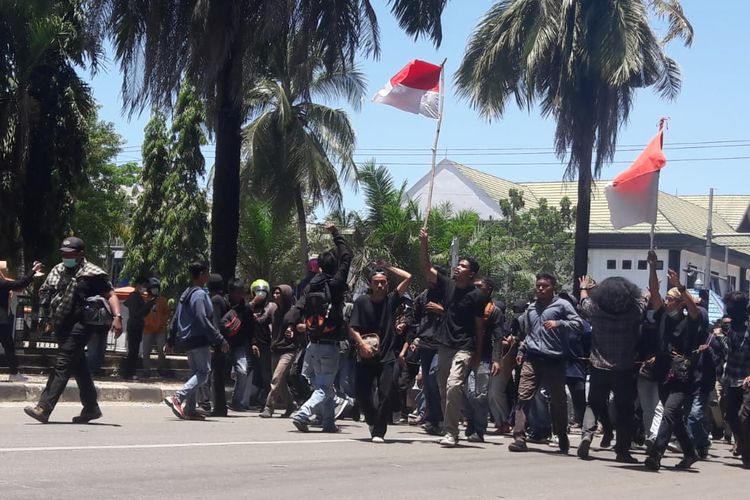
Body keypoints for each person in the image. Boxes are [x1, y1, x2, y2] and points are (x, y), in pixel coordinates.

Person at [24, 237, 122, 423]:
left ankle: (44, 407)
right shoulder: (58, 270)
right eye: (63, 253)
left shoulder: (92, 274)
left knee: (63, 362)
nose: (65, 257)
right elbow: (46, 290)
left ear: (80, 254)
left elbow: (111, 294)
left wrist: (118, 317)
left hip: (83, 324)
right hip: (61, 323)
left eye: (69, 254)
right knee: (79, 367)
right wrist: (47, 303)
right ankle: (91, 408)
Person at [418, 227, 486, 448]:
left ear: (471, 274)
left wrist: (477, 353)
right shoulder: (447, 284)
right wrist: (424, 243)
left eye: (463, 266)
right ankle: (465, 421)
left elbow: (479, 327)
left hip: (464, 346)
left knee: (454, 385)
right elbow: (427, 268)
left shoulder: (477, 296)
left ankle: (451, 432)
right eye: (459, 265)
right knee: (443, 388)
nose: (458, 267)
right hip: (444, 345)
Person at [508, 272, 583, 454]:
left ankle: (561, 434)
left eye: (545, 286)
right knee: (523, 397)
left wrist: (559, 323)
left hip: (554, 360)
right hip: (532, 358)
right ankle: (519, 437)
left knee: (557, 401)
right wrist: (521, 350)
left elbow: (579, 324)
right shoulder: (531, 309)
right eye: (538, 285)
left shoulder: (563, 305)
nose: (540, 289)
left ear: (553, 288)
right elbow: (528, 334)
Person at [644, 251, 704, 471]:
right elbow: (654, 292)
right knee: (675, 417)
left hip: (680, 375)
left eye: (671, 298)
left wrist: (680, 285)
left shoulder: (691, 321)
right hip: (662, 370)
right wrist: (652, 267)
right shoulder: (661, 316)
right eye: (667, 298)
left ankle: (655, 455)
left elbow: (694, 309)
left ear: (680, 303)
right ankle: (690, 452)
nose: (666, 301)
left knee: (669, 412)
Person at [289, 223, 352, 433]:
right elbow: (347, 256)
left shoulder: (311, 285)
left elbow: (297, 307)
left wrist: (289, 324)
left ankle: (328, 422)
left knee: (323, 384)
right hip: (330, 343)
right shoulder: (336, 284)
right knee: (325, 386)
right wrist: (335, 234)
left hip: (312, 343)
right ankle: (304, 412)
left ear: (320, 267)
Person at [576, 275, 645, 463]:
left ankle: (587, 435)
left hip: (598, 365)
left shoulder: (596, 309)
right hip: (623, 368)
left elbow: (583, 303)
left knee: (593, 403)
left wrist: (584, 287)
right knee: (624, 410)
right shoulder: (633, 311)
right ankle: (622, 450)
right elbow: (643, 302)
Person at [349, 262, 412, 442]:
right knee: (362, 393)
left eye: (383, 282)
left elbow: (408, 277)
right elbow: (352, 328)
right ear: (370, 284)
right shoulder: (361, 302)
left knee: (386, 392)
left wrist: (388, 267)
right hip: (365, 355)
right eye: (376, 282)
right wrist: (362, 345)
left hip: (386, 356)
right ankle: (370, 418)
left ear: (387, 284)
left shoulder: (391, 300)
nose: (379, 285)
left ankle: (378, 432)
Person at [164, 261, 229, 420]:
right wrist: (219, 339)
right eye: (207, 272)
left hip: (187, 339)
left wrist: (171, 339)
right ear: (201, 274)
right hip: (199, 339)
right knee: (204, 372)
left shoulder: (186, 292)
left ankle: (190, 409)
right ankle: (178, 398)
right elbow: (202, 318)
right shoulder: (199, 294)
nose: (208, 275)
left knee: (194, 372)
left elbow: (175, 318)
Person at [463, 277, 504, 443]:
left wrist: (496, 359)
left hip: (484, 358)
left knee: (480, 395)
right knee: (465, 392)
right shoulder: (467, 306)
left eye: (479, 287)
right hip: (465, 354)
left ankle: (478, 429)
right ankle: (470, 421)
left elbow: (498, 337)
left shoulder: (494, 311)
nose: (475, 289)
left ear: (489, 291)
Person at [411, 266, 448, 435]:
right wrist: (413, 337)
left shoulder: (449, 294)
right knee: (428, 383)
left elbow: (458, 317)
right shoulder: (423, 296)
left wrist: (442, 311)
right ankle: (433, 419)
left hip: (442, 345)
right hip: (425, 344)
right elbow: (415, 318)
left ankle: (443, 419)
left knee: (435, 377)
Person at [721, 291, 750, 469]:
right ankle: (741, 441)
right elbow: (730, 351)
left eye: (732, 308)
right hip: (731, 378)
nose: (729, 312)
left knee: (744, 417)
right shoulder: (732, 328)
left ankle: (747, 455)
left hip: (747, 379)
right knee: (731, 416)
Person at [0, 260, 43, 381]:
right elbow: (20, 284)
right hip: (1, 321)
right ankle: (14, 373)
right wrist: (33, 271)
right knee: (8, 347)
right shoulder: (2, 283)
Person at [261, 284, 298, 418]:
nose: (275, 295)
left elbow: (302, 325)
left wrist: (294, 329)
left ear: (286, 295)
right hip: (275, 349)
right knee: (280, 383)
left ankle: (268, 407)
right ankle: (291, 404)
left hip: (288, 350)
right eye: (274, 293)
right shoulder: (273, 309)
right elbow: (263, 321)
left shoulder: (294, 311)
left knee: (276, 378)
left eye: (279, 293)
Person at [225, 279, 255, 411]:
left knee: (243, 371)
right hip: (222, 343)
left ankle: (236, 401)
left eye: (240, 293)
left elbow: (251, 329)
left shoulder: (246, 309)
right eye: (236, 293)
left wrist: (253, 343)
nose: (239, 296)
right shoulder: (223, 304)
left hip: (239, 345)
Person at [249, 279, 276, 407]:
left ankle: (268, 400)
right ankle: (255, 396)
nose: (260, 295)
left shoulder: (271, 307)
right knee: (254, 372)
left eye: (263, 293)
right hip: (253, 344)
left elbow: (273, 324)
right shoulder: (250, 307)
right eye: (257, 293)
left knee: (267, 374)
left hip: (267, 345)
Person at [141, 277, 170, 378]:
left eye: (156, 288)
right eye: (153, 288)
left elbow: (167, 313)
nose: (155, 290)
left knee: (162, 350)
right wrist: (146, 322)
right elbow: (142, 314)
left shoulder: (162, 300)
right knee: (146, 351)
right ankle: (146, 370)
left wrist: (162, 322)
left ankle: (161, 369)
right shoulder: (145, 300)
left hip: (160, 329)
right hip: (148, 329)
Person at [121, 276, 149, 380]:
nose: (145, 288)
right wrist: (148, 305)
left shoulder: (136, 297)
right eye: (144, 286)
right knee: (133, 351)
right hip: (135, 325)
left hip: (134, 325)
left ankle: (129, 372)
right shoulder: (135, 297)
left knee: (134, 350)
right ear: (138, 285)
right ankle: (129, 372)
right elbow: (138, 312)